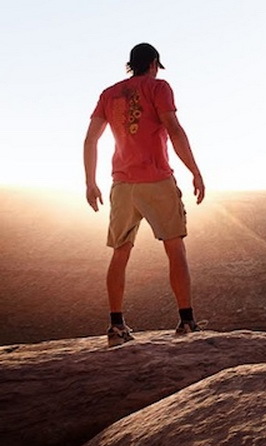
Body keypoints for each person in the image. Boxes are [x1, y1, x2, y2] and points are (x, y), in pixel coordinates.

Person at [83, 43, 206, 347]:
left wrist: (90, 182)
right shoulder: (158, 87)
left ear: (130, 65)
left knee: (120, 251)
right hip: (156, 179)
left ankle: (115, 325)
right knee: (174, 247)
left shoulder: (109, 94)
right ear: (153, 63)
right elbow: (174, 130)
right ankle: (187, 321)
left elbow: (90, 140)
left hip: (122, 184)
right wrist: (195, 170)